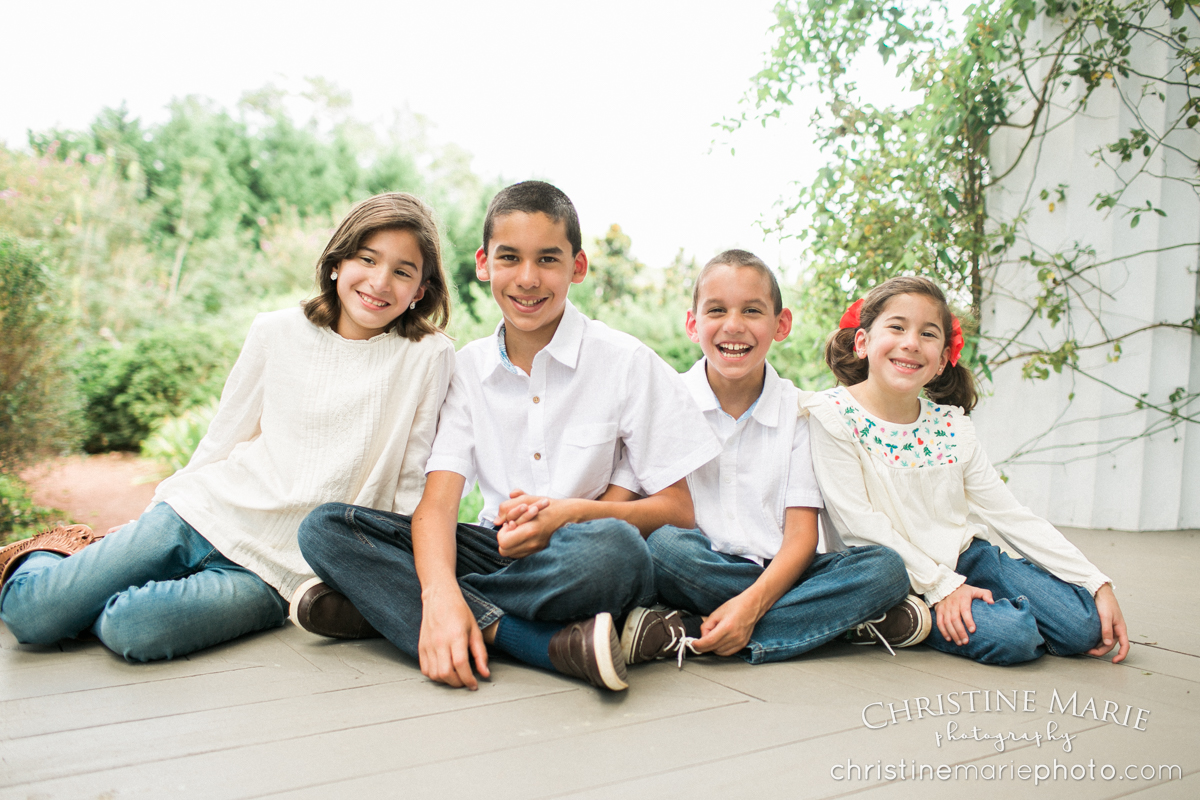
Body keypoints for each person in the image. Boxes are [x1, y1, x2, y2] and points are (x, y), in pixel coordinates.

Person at [293, 180, 719, 692]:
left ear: (576, 267)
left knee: (618, 551)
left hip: (576, 554)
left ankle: (384, 607)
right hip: (496, 550)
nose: (527, 279)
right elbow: (438, 504)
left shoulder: (626, 362)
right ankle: (531, 640)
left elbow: (678, 510)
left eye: (547, 260)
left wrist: (569, 514)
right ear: (483, 263)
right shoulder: (466, 369)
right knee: (324, 529)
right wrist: (439, 593)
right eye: (510, 258)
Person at [0, 193, 456, 662]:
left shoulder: (428, 356)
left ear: (420, 289)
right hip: (201, 515)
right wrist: (157, 517)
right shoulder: (276, 331)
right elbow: (224, 437)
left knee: (131, 629)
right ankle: (53, 549)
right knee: (30, 615)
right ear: (338, 261)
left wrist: (381, 573)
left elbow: (410, 480)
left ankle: (87, 590)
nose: (380, 281)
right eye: (367, 258)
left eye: (403, 271)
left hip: (279, 571)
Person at [801, 275, 1129, 666]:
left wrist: (1095, 580)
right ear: (862, 342)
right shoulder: (833, 415)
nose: (910, 342)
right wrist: (942, 587)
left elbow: (1010, 515)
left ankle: (1002, 603)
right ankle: (899, 618)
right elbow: (858, 523)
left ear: (941, 361)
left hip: (967, 558)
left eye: (928, 333)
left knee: (1087, 627)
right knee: (1014, 636)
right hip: (897, 574)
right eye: (896, 327)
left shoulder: (951, 426)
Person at [619, 251, 924, 668]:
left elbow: (801, 538)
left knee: (885, 568)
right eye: (717, 310)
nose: (734, 325)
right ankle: (836, 623)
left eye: (751, 310)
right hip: (695, 567)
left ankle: (689, 632)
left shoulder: (800, 411)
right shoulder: (669, 400)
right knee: (664, 548)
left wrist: (752, 604)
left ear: (781, 325)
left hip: (782, 573)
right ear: (693, 324)